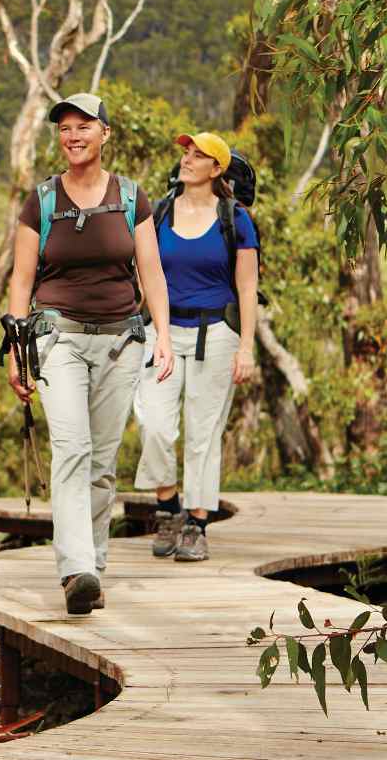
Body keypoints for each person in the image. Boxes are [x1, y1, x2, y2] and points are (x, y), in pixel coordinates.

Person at [4, 92, 175, 615]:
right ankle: (74, 568)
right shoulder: (42, 201)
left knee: (102, 463)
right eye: (64, 129)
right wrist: (16, 349)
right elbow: (22, 278)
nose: (73, 136)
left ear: (105, 133)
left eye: (84, 126)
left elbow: (151, 272)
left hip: (122, 342)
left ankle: (93, 568)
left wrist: (163, 336)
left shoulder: (131, 198)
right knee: (72, 450)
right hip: (58, 339)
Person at [135, 131, 258, 563]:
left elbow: (247, 289)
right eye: (186, 153)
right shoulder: (161, 211)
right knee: (154, 422)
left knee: (203, 434)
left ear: (217, 168)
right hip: (162, 332)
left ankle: (196, 523)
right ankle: (167, 506)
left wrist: (247, 348)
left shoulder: (236, 218)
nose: (187, 159)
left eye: (198, 155)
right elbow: (143, 273)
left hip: (217, 335)